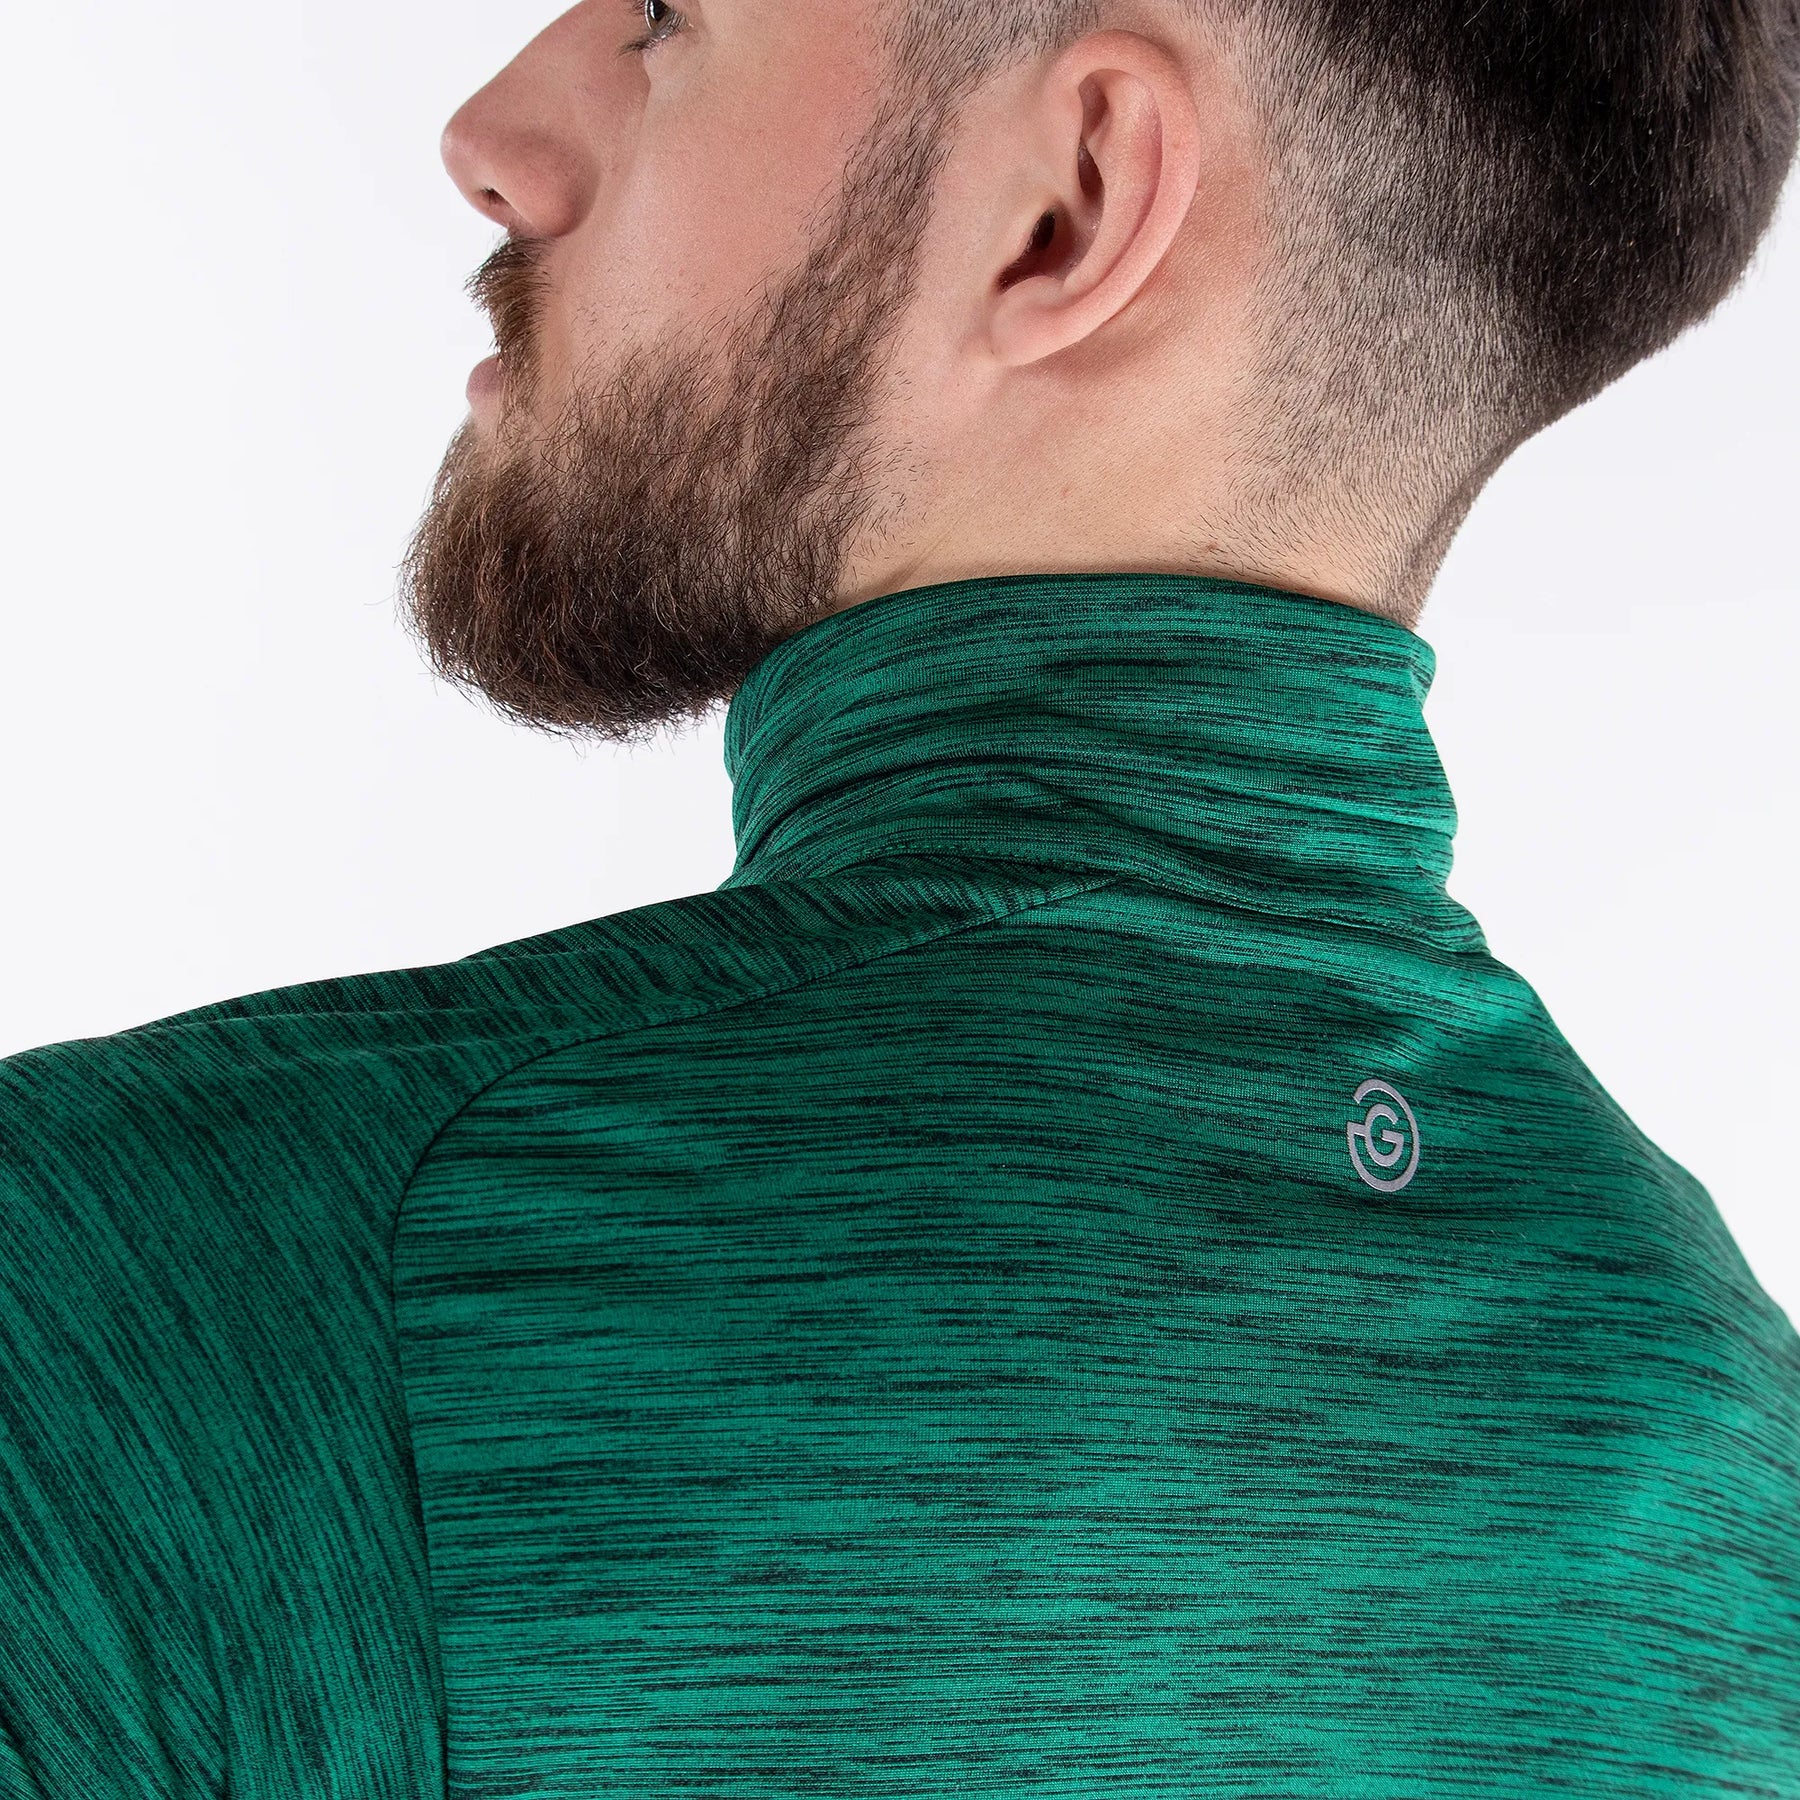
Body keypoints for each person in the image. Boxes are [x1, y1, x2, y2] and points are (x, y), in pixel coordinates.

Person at [3, 0, 1797, 1790]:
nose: (494, 133)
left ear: (1068, 208)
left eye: (661, 18)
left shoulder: (126, 1321)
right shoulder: (1749, 1445)